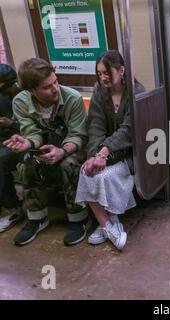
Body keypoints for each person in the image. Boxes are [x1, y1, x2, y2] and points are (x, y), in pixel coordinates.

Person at [4, 58, 89, 246]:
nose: (55, 89)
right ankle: (37, 218)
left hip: (72, 147)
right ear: (32, 90)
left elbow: (79, 134)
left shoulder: (72, 98)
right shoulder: (21, 101)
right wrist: (27, 142)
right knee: (28, 162)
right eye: (47, 87)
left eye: (56, 81)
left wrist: (62, 151)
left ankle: (79, 218)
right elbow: (31, 132)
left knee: (68, 164)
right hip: (43, 145)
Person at [75, 50, 144, 250]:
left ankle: (109, 221)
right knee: (86, 172)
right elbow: (95, 126)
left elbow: (128, 130)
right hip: (104, 150)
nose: (103, 78)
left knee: (104, 176)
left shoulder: (135, 92)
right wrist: (93, 157)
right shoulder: (99, 91)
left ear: (121, 70)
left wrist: (104, 152)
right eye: (99, 73)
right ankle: (108, 225)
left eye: (107, 72)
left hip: (131, 152)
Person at [0, 64, 24, 232]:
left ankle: (12, 208)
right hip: (7, 140)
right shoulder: (4, 98)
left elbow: (34, 127)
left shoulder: (24, 95)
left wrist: (12, 124)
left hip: (28, 141)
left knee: (1, 159)